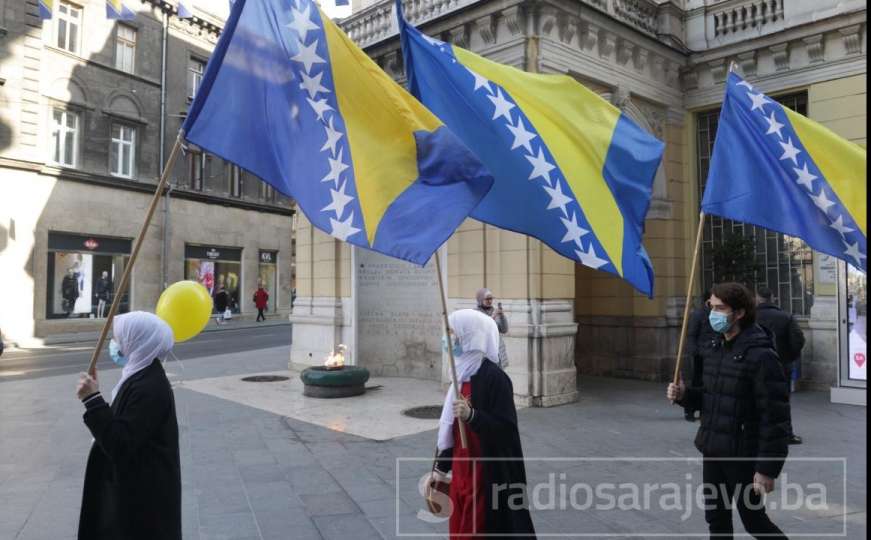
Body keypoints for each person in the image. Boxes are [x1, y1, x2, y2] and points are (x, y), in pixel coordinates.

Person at [667, 282, 790, 540]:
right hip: (713, 449)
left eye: (721, 308)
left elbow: (775, 417)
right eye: (711, 306)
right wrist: (685, 396)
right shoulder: (715, 348)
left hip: (743, 454)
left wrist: (767, 468)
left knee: (754, 521)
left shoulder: (761, 355)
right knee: (716, 519)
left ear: (740, 313)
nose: (714, 313)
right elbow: (712, 398)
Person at [75, 311, 181, 540]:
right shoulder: (141, 375)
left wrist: (92, 401)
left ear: (137, 342)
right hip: (136, 494)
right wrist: (96, 394)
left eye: (120, 339)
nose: (115, 345)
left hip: (142, 505)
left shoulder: (149, 387)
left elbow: (120, 443)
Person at [432, 309, 535, 538]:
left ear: (471, 336)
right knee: (459, 528)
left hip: (485, 474)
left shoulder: (495, 378)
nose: (448, 339)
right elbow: (450, 430)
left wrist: (473, 416)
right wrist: (440, 469)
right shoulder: (459, 374)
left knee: (478, 530)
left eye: (452, 333)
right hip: (461, 471)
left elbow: (507, 431)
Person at [755, 286, 805, 445]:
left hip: (755, 365)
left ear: (757, 298)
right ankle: (786, 434)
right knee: (782, 400)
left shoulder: (750, 317)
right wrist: (789, 357)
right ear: (773, 298)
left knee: (755, 398)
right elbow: (798, 340)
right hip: (782, 364)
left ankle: (758, 432)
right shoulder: (785, 317)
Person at [683, 289, 716, 421]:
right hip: (700, 355)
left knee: (708, 385)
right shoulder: (698, 315)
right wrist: (694, 351)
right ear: (708, 300)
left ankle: (704, 410)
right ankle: (689, 410)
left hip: (713, 354)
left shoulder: (718, 314)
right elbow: (691, 335)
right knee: (696, 383)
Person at [475, 288, 509, 369]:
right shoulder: (476, 313)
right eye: (487, 299)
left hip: (498, 349)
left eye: (491, 298)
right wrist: (493, 316)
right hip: (485, 351)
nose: (490, 301)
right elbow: (483, 329)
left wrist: (502, 316)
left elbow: (504, 330)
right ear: (480, 299)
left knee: (498, 377)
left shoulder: (494, 310)